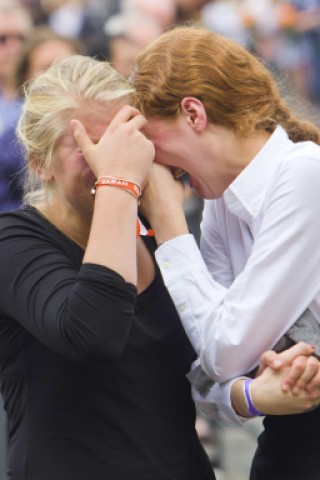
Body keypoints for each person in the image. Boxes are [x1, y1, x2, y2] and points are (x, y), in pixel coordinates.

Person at [0, 54, 318, 480]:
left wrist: (254, 394)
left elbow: (205, 367)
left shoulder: (163, 237)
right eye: (91, 147)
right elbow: (94, 332)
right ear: (41, 163)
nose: (110, 160)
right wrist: (120, 183)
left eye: (123, 140)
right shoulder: (15, 241)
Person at [130, 25, 320, 480]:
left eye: (155, 147)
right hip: (292, 439)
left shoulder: (303, 174)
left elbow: (224, 349)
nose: (157, 167)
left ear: (193, 113)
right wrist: (253, 395)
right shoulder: (220, 203)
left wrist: (168, 218)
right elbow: (202, 371)